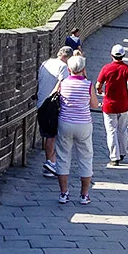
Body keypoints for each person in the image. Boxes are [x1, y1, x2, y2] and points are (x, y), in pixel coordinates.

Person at [54, 55, 99, 205]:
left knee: (63, 157)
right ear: (83, 69)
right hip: (83, 124)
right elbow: (94, 105)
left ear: (69, 69)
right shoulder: (88, 85)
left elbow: (54, 97)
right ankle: (84, 195)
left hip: (65, 122)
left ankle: (63, 193)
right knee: (85, 158)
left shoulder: (63, 83)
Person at [96, 44, 128, 166]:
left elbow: (98, 84)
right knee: (122, 130)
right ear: (123, 55)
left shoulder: (106, 68)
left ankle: (114, 157)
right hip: (123, 105)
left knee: (111, 131)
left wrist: (99, 90)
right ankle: (122, 152)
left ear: (111, 55)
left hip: (109, 105)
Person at [37, 46, 73, 178]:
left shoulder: (45, 63)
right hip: (52, 105)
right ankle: (50, 164)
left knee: (49, 135)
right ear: (68, 58)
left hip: (41, 103)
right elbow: (63, 86)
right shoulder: (63, 67)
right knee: (52, 136)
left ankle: (51, 162)